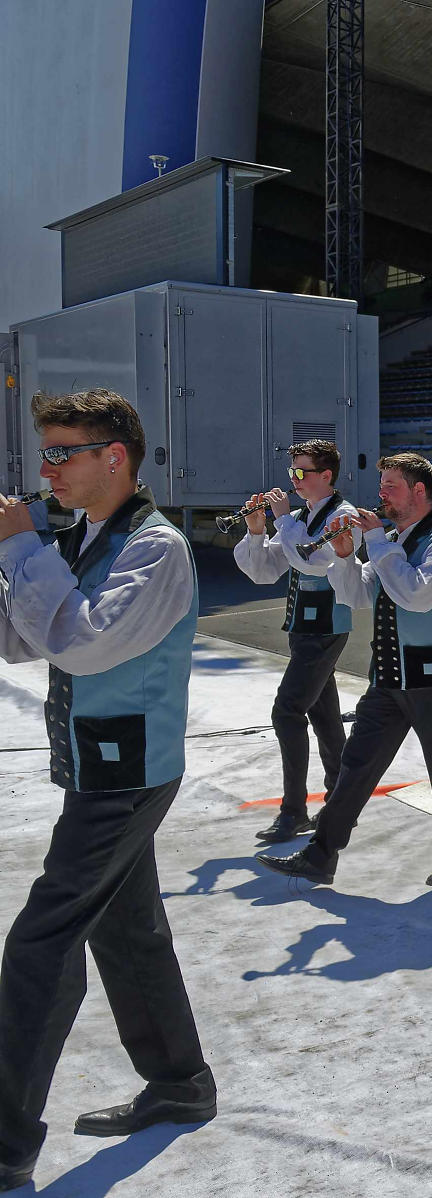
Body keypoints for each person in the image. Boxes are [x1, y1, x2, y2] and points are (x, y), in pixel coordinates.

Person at [0, 391, 214, 1193]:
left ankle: (6, 1142)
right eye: (45, 453)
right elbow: (27, 638)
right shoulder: (85, 536)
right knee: (127, 932)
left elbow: (84, 645)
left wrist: (22, 551)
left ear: (113, 456)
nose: (45, 469)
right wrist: (15, 561)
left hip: (126, 774)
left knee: (39, 944)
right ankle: (181, 1083)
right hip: (99, 766)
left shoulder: (157, 549)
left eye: (63, 452)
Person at [258, 453, 432, 887]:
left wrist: (380, 543)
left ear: (419, 491)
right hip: (388, 676)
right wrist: (345, 557)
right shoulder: (394, 539)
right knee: (356, 764)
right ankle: (321, 854)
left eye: (391, 486)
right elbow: (358, 597)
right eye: (382, 484)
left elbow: (415, 595)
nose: (381, 493)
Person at [231, 440, 363, 843]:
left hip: (325, 625)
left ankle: (294, 811)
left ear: (327, 476)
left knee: (287, 711)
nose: (294, 480)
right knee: (324, 716)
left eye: (302, 473)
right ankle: (342, 801)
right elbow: (264, 571)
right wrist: (256, 531)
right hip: (302, 626)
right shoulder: (303, 515)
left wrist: (284, 521)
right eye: (292, 473)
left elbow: (314, 559)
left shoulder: (344, 516)